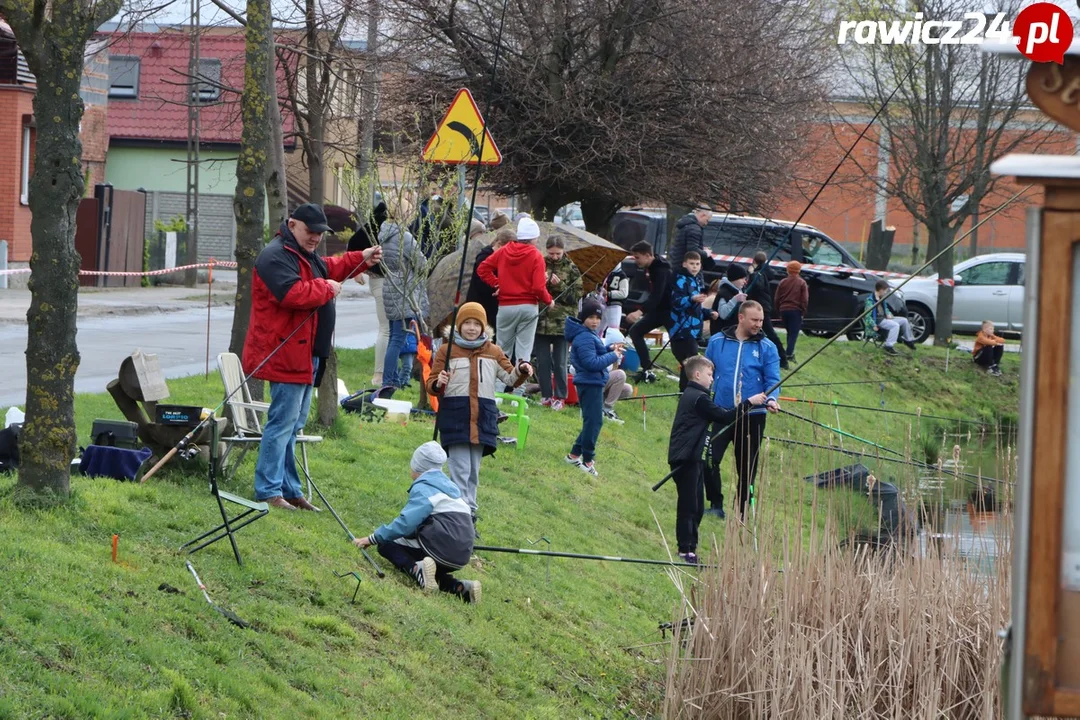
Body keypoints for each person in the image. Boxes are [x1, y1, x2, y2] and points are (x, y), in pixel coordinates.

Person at [244, 203, 381, 511]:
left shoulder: (303, 253)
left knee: (294, 425)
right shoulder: (275, 255)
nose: (316, 238)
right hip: (284, 353)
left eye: (320, 233)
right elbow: (293, 294)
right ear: (292, 225)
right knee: (281, 424)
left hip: (307, 355)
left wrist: (360, 259)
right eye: (311, 231)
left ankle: (290, 490)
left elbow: (328, 267)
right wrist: (326, 288)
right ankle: (267, 491)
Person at [426, 302, 531, 530]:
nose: (472, 328)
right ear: (460, 325)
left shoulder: (493, 351)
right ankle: (459, 517)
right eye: (467, 323)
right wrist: (438, 383)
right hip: (456, 417)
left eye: (476, 324)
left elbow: (510, 378)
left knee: (473, 472)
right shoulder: (447, 350)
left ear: (484, 327)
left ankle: (469, 514)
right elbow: (431, 384)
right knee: (460, 469)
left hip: (482, 419)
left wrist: (522, 370)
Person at [353, 442, 480, 604]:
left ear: (418, 466)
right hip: (461, 556)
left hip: (440, 550)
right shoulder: (452, 489)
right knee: (431, 568)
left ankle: (415, 569)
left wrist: (372, 538)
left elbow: (406, 523)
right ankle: (459, 588)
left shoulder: (425, 488)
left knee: (386, 544)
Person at [668, 356, 766, 564]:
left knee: (697, 505)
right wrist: (750, 402)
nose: (712, 379)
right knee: (689, 506)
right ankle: (685, 550)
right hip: (685, 458)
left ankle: (690, 548)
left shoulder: (697, 395)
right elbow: (724, 417)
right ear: (697, 375)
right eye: (709, 374)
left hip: (693, 458)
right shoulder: (698, 398)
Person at [703, 301, 781, 519]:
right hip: (720, 413)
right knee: (708, 460)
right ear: (741, 318)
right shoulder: (717, 341)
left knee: (747, 468)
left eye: (761, 320)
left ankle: (742, 513)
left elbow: (773, 379)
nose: (758, 324)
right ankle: (716, 505)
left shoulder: (768, 347)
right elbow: (705, 372)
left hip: (753, 417)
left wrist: (772, 399)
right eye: (754, 320)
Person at [477, 216, 554, 365]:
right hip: (528, 306)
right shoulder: (536, 255)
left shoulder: (504, 250)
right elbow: (538, 287)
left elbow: (483, 268)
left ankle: (498, 385)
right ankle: (519, 387)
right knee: (524, 350)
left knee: (502, 349)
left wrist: (497, 284)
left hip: (505, 306)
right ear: (532, 238)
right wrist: (549, 300)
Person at [564, 299, 624, 476]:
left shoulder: (588, 335)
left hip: (593, 382)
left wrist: (608, 348)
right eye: (591, 317)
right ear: (583, 318)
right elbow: (591, 363)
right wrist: (613, 356)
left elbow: (594, 353)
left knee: (593, 421)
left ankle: (574, 455)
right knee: (594, 422)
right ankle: (588, 459)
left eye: (598, 317)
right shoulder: (584, 337)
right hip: (589, 383)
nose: (595, 321)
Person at [380, 207, 430, 389]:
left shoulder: (383, 233)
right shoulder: (405, 237)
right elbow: (422, 263)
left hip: (391, 286)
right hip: (405, 291)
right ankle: (389, 381)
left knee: (394, 336)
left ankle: (390, 377)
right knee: (398, 339)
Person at [534, 237, 583, 411]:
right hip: (541, 321)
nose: (554, 257)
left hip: (562, 323)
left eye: (558, 253)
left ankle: (560, 396)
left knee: (560, 361)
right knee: (542, 361)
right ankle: (546, 395)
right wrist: (542, 281)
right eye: (551, 253)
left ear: (563, 251)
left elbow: (576, 297)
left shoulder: (571, 268)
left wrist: (560, 285)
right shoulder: (539, 263)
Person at [346, 202, 389, 385]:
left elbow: (353, 243)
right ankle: (379, 374)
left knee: (386, 329)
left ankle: (384, 372)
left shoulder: (374, 222)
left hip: (379, 278)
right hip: (382, 278)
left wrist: (358, 270)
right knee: (386, 329)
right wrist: (357, 269)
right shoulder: (382, 223)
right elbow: (355, 243)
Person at [625, 241, 673, 383]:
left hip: (669, 311)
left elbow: (657, 295)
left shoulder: (661, 269)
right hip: (658, 310)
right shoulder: (652, 266)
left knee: (678, 345)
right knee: (635, 331)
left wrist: (640, 312)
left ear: (648, 255)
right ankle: (647, 368)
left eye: (637, 257)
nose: (635, 261)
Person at [669, 251, 717, 391]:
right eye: (691, 264)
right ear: (684, 264)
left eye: (697, 264)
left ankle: (686, 392)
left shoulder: (696, 280)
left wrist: (708, 313)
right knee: (691, 363)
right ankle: (686, 391)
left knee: (689, 363)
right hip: (681, 329)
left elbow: (696, 309)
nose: (695, 267)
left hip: (693, 330)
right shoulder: (680, 280)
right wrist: (691, 299)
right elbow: (676, 303)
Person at [466, 227, 514, 339]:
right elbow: (482, 284)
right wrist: (498, 286)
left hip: (493, 306)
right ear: (500, 244)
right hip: (483, 305)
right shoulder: (485, 257)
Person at [747, 252, 787, 369]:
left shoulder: (758, 274)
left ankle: (782, 359)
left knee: (770, 333)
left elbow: (757, 286)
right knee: (767, 333)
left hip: (760, 307)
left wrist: (751, 273)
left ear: (754, 261)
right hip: (763, 306)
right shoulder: (766, 271)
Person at [865, 279, 916, 356]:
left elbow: (886, 310)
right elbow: (867, 316)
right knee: (895, 325)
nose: (886, 292)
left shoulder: (882, 299)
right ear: (881, 290)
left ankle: (908, 340)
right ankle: (888, 346)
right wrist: (873, 325)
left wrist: (889, 314)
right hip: (878, 321)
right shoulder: (870, 300)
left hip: (885, 319)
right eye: (885, 291)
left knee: (904, 320)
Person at [774, 261, 809, 364]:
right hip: (796, 311)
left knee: (789, 332)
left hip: (783, 310)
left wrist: (779, 310)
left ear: (787, 270)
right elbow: (805, 299)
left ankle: (789, 352)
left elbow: (776, 298)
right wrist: (803, 311)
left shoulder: (782, 282)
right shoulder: (802, 283)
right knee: (793, 334)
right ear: (799, 271)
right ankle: (788, 355)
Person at [601, 328, 633, 423]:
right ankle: (606, 409)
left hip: (604, 383)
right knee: (620, 374)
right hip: (596, 381)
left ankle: (602, 404)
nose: (622, 348)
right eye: (620, 345)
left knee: (628, 389)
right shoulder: (603, 350)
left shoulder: (618, 356)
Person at [712, 263, 748, 335]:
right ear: (735, 278)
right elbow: (723, 314)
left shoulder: (739, 291)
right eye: (742, 278)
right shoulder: (723, 293)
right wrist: (735, 300)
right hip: (723, 333)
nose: (745, 282)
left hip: (735, 332)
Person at [601, 264, 630, 333]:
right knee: (598, 328)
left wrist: (608, 293)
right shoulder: (605, 273)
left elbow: (624, 293)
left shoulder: (622, 276)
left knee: (613, 330)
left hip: (614, 306)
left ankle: (614, 343)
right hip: (603, 304)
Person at [397, 318, 420, 388]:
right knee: (407, 366)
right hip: (407, 345)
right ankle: (399, 383)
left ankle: (405, 381)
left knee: (409, 366)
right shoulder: (406, 317)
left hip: (411, 344)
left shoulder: (413, 317)